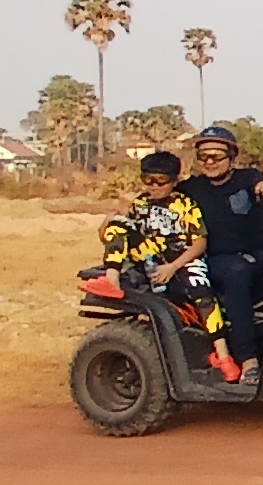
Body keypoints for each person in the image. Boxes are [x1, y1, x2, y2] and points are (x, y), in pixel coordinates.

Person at [101, 152, 241, 381]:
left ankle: (223, 355)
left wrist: (173, 267)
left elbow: (199, 242)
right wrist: (107, 223)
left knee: (202, 293)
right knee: (118, 224)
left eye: (160, 181)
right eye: (148, 181)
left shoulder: (184, 205)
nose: (153, 187)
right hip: (150, 256)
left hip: (182, 257)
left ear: (174, 181)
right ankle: (111, 280)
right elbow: (112, 237)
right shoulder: (140, 204)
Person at [179, 125, 263, 383]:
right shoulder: (190, 189)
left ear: (231, 157)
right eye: (203, 157)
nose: (209, 162)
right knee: (237, 278)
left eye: (216, 156)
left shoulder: (248, 177)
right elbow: (153, 200)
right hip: (221, 259)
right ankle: (249, 361)